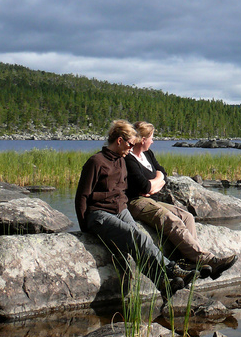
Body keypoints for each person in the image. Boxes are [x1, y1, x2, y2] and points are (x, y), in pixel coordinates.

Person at [75, 120, 194, 293]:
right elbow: (82, 196)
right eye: (130, 144)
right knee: (140, 238)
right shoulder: (96, 162)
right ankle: (171, 268)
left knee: (141, 243)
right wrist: (84, 228)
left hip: (120, 210)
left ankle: (162, 283)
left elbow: (123, 191)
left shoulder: (122, 161)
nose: (132, 148)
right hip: (99, 214)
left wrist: (126, 208)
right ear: (119, 141)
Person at [124, 121, 236, 280]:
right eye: (151, 137)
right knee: (170, 219)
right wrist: (154, 184)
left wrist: (154, 184)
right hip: (136, 202)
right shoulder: (128, 158)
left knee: (187, 217)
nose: (153, 141)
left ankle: (187, 262)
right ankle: (206, 258)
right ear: (143, 139)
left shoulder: (147, 154)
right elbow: (143, 186)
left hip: (152, 200)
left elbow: (162, 172)